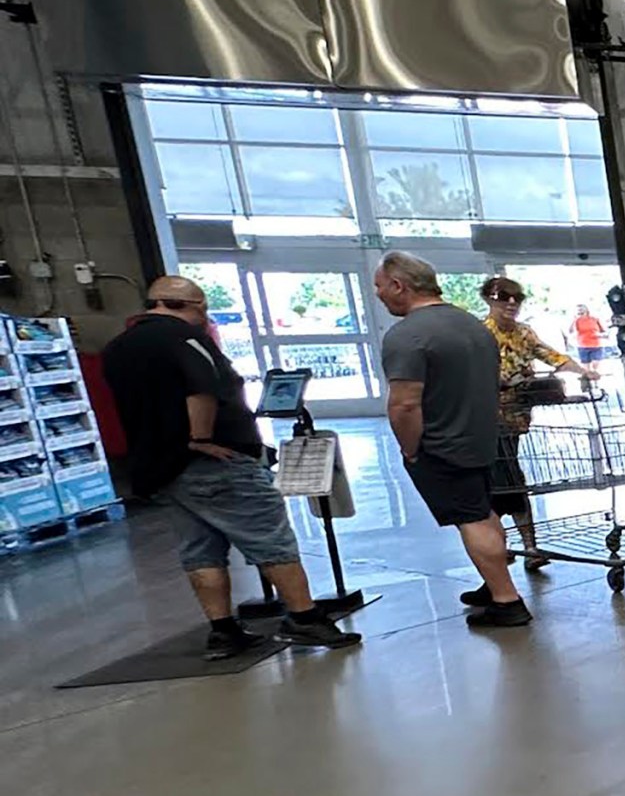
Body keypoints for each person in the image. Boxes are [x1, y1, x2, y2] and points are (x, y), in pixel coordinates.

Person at [100, 277, 362, 657]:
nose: (203, 317)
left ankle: (222, 630)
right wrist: (202, 438)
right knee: (271, 539)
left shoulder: (117, 349)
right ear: (189, 305)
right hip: (215, 463)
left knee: (200, 550)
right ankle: (304, 618)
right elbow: (201, 389)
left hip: (161, 467)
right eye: (201, 309)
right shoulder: (184, 339)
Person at [372, 251, 532, 629]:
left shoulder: (407, 335)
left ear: (399, 285)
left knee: (471, 518)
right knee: (483, 510)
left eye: (379, 286)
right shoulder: (473, 327)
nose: (378, 294)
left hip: (443, 445)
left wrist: (411, 448)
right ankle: (494, 584)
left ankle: (507, 601)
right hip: (483, 439)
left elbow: (405, 405)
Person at [479, 276, 599, 566]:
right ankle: (518, 548)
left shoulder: (524, 334)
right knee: (505, 484)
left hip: (516, 419)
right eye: (503, 296)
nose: (511, 303)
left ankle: (518, 548)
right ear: (488, 299)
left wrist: (583, 371)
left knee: (508, 483)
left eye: (517, 297)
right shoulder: (480, 334)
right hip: (487, 421)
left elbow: (551, 355)